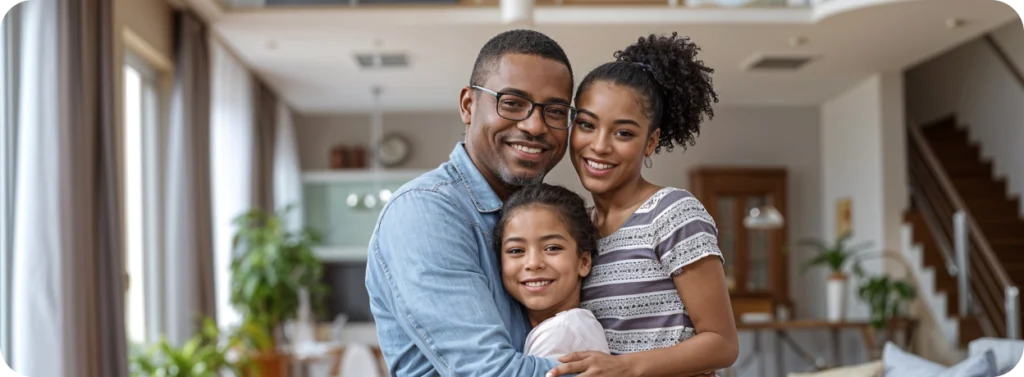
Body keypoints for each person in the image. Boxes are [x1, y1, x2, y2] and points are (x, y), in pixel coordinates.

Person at [364, 29, 578, 376]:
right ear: (468, 105)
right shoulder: (426, 212)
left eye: (554, 111)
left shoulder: (544, 216)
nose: (535, 125)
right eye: (512, 103)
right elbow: (487, 371)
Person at [547, 32, 739, 377]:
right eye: (587, 125)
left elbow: (722, 343)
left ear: (650, 142)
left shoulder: (673, 212)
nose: (599, 146)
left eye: (623, 133)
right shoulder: (580, 229)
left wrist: (624, 367)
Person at [493, 183, 611, 361]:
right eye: (516, 250)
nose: (533, 263)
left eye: (552, 248)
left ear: (584, 262)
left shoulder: (561, 332)